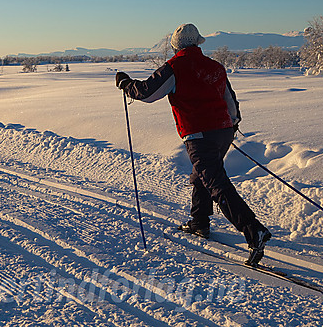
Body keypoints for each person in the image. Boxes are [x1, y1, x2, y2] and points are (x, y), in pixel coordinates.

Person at [116, 23, 271, 266]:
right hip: (223, 131)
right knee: (202, 176)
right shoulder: (215, 66)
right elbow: (229, 99)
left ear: (175, 45)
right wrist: (232, 124)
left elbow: (147, 92)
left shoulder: (175, 67)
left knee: (216, 183)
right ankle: (199, 221)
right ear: (197, 42)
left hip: (199, 134)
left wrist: (126, 85)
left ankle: (254, 231)